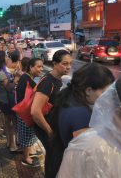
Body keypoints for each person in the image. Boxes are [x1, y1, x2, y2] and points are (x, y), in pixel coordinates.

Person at [48, 63, 114, 177]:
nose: (107, 97)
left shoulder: (68, 98)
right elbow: (87, 155)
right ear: (88, 90)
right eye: (105, 92)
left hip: (56, 160)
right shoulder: (81, 115)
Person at [31, 49, 72, 177]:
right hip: (46, 127)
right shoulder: (48, 82)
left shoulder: (57, 79)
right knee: (54, 159)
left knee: (53, 156)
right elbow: (35, 111)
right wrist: (50, 132)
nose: (68, 67)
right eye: (64, 64)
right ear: (54, 63)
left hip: (51, 125)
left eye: (70, 63)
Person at [16, 58, 44, 167]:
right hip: (25, 113)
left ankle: (30, 152)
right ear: (31, 67)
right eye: (38, 67)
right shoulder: (28, 80)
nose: (41, 69)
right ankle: (26, 158)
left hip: (23, 111)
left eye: (42, 66)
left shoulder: (25, 76)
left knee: (29, 135)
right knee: (26, 136)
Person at [0, 50, 21, 152]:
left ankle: (9, 142)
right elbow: (9, 87)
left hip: (2, 100)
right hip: (8, 101)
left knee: (7, 122)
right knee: (13, 122)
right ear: (2, 59)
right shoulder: (1, 72)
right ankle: (13, 146)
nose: (7, 57)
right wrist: (16, 78)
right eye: (6, 56)